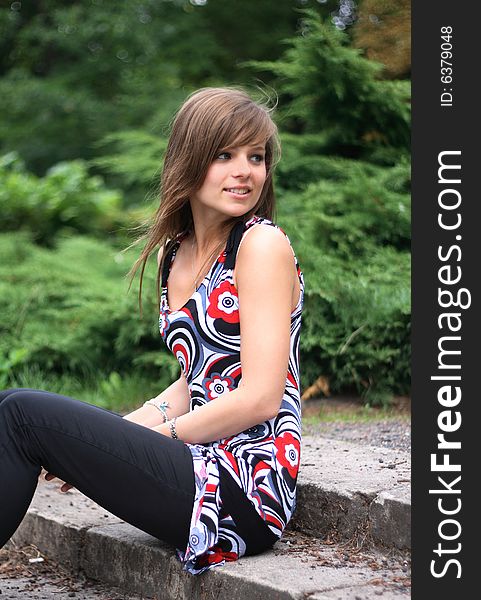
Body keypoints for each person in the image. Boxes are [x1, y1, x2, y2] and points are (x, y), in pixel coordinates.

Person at [0, 87, 305, 574]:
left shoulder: (261, 245)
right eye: (224, 155)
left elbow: (260, 398)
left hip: (240, 492)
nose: (245, 170)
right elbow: (196, 380)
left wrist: (152, 440)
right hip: (194, 467)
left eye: (256, 156)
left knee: (20, 412)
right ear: (190, 158)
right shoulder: (174, 253)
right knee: (9, 404)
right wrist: (116, 436)